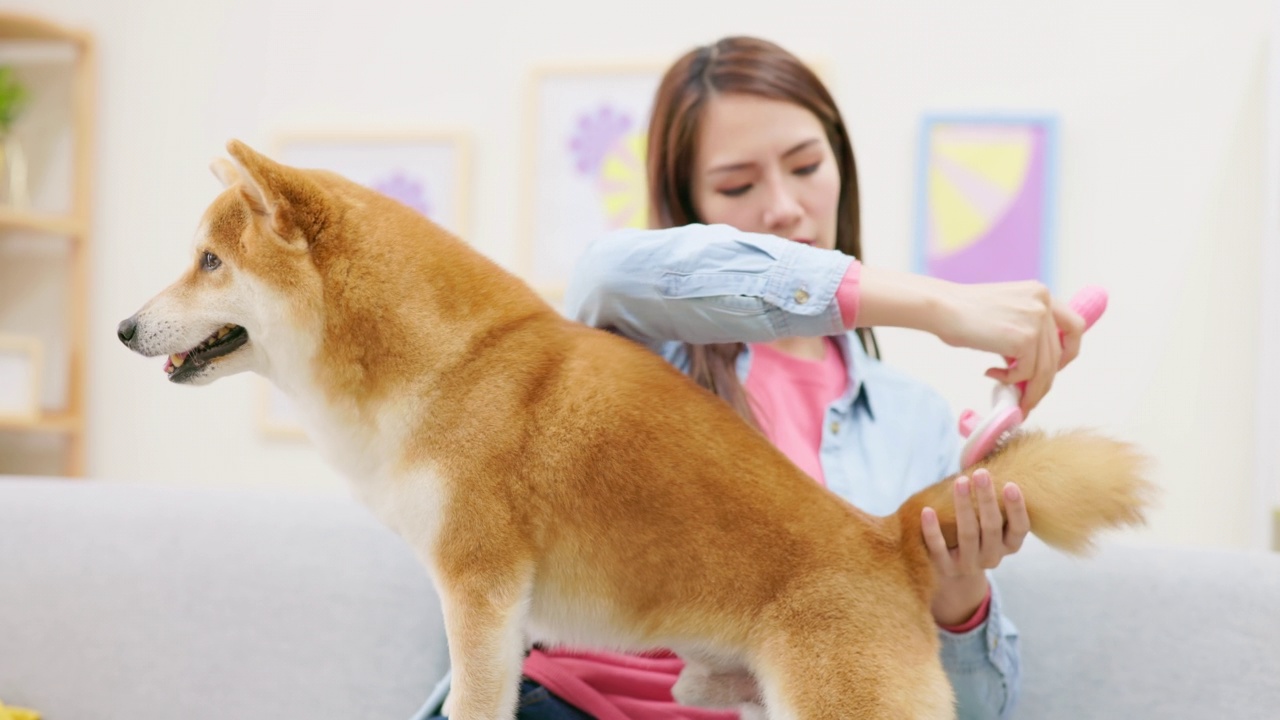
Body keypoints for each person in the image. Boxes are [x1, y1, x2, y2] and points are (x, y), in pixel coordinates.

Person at [417, 35, 1085, 720]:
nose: (783, 208)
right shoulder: (634, 341)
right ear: (687, 205)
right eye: (738, 184)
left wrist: (959, 596)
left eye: (804, 166)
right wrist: (940, 303)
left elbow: (978, 711)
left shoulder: (911, 424)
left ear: (840, 163)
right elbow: (607, 270)